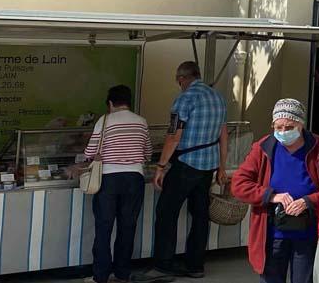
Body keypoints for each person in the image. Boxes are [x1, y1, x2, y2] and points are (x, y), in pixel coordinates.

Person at [134, 62, 228, 282]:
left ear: (182, 78)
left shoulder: (184, 99)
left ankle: (163, 265)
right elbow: (224, 135)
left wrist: (161, 166)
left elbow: (173, 136)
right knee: (200, 215)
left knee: (167, 212)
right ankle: (195, 265)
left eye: (178, 79)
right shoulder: (218, 97)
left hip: (186, 163)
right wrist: (221, 166)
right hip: (208, 166)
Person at [232, 98, 319, 283]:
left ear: (301, 125)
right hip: (272, 235)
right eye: (278, 127)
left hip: (307, 235)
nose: (283, 132)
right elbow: (239, 184)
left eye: (289, 127)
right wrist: (271, 196)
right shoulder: (263, 148)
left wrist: (307, 201)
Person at [84, 85, 152, 283]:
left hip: (109, 179)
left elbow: (90, 152)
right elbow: (147, 152)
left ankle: (101, 276)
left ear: (111, 103)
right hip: (134, 179)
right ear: (128, 102)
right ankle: (122, 272)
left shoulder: (105, 121)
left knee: (104, 228)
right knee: (127, 226)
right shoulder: (141, 121)